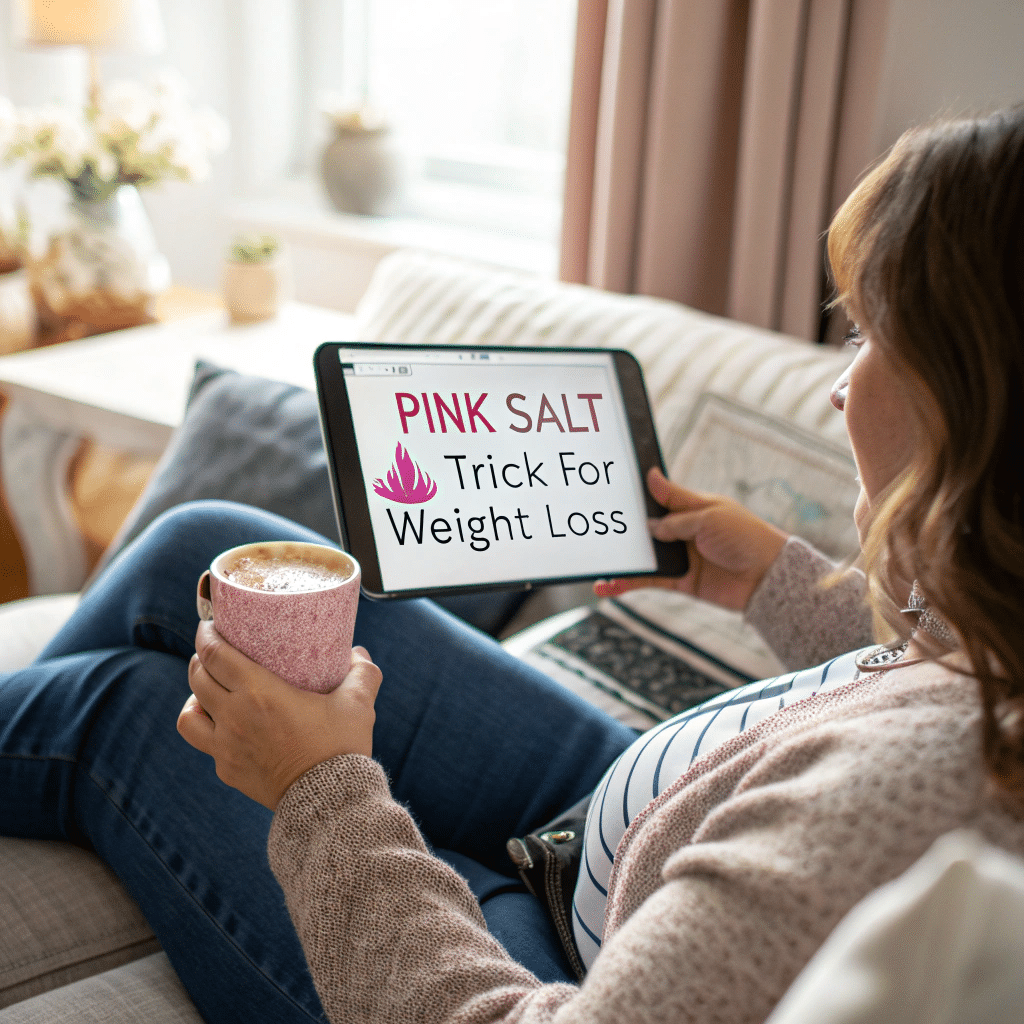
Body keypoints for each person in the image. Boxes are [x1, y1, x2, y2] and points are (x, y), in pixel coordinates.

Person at [3, 104, 1024, 1024]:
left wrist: (322, 785)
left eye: (867, 335)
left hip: (552, 954)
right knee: (203, 543)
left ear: (972, 403)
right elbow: (935, 670)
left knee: (127, 707)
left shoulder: (897, 805)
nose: (840, 388)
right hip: (626, 804)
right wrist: (775, 582)